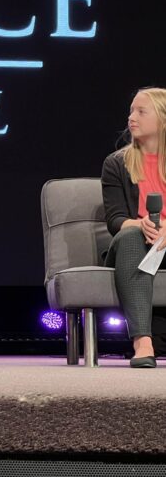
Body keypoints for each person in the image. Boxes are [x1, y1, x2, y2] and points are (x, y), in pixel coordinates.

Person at [102, 87, 166, 369]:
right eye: (131, 111)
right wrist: (142, 225)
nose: (131, 118)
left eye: (141, 112)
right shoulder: (116, 163)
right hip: (135, 244)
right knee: (130, 236)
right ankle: (143, 343)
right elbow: (116, 220)